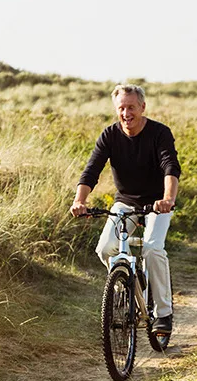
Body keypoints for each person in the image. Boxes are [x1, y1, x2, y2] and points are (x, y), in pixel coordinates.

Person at [70, 84, 181, 334]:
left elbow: (170, 166)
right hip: (126, 201)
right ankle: (131, 289)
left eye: (131, 107)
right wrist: (80, 201)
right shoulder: (109, 135)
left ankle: (163, 313)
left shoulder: (159, 133)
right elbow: (91, 170)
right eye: (121, 108)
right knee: (105, 247)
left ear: (142, 107)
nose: (126, 113)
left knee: (152, 248)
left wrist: (168, 198)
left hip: (157, 203)